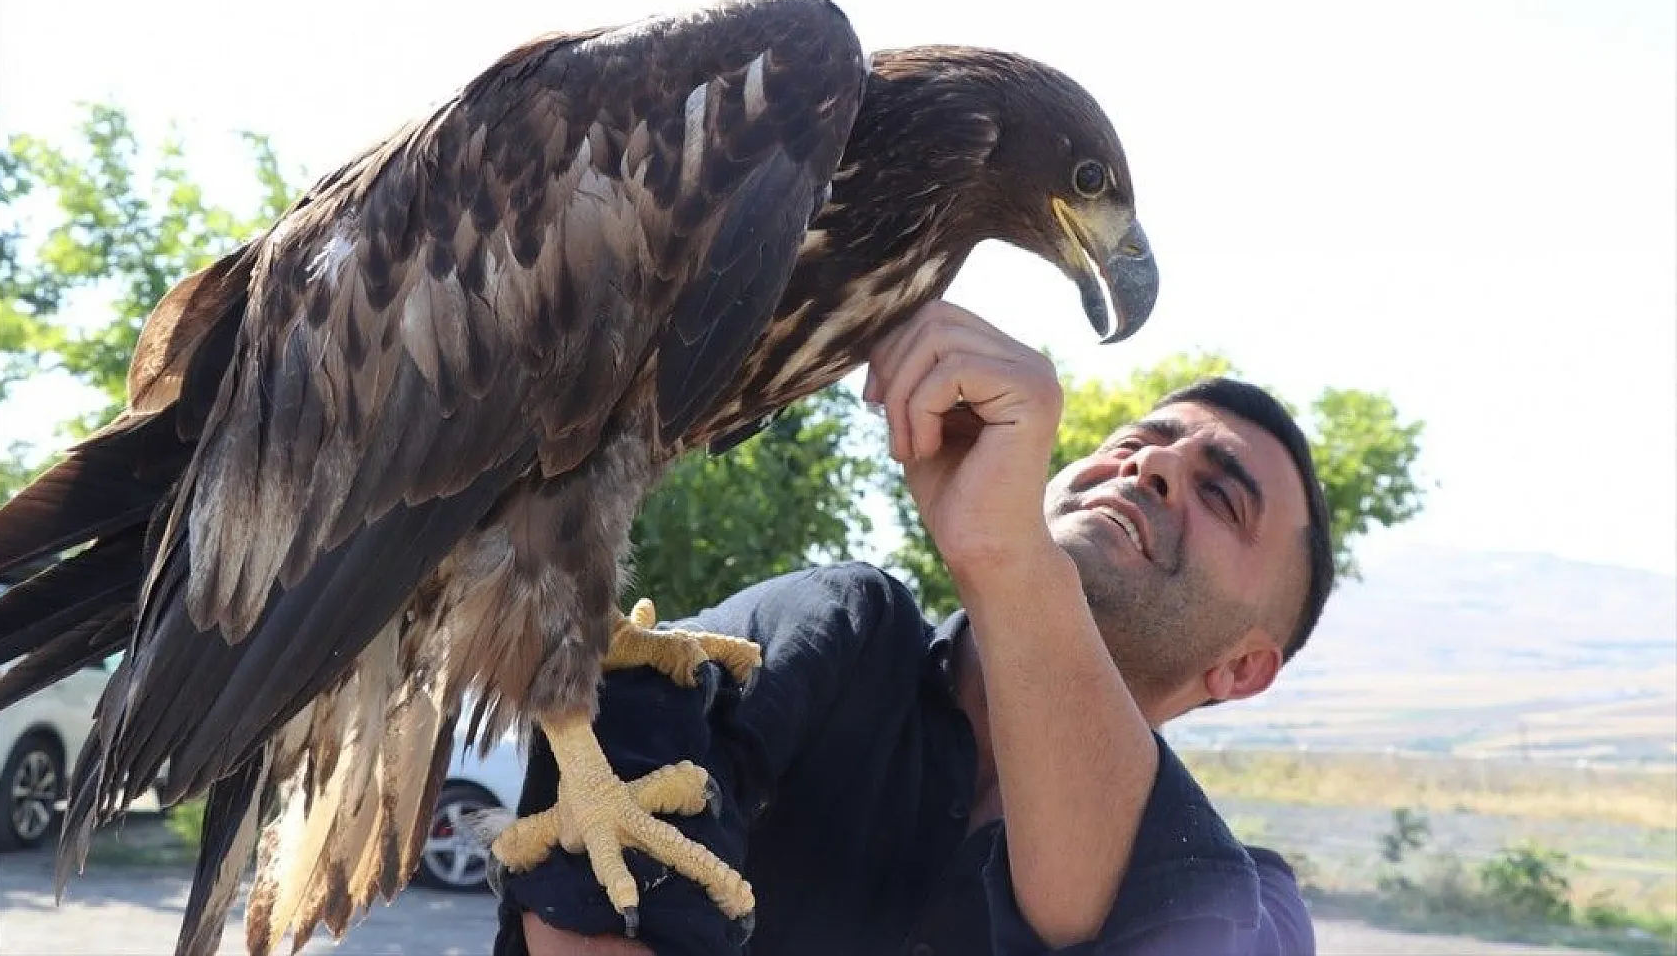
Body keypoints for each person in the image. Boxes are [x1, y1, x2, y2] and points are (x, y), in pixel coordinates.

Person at [492, 301, 1332, 956]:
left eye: (1223, 494)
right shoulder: (846, 629)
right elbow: (588, 868)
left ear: (1244, 668)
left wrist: (1008, 562)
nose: (1150, 466)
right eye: (1135, 441)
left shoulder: (1243, 905)